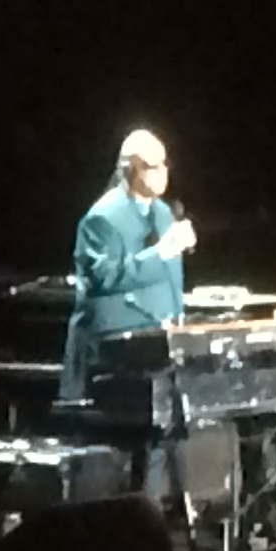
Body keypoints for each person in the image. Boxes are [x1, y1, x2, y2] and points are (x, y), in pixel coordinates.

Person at [59, 127, 194, 403]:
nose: (162, 172)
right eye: (152, 166)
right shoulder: (102, 218)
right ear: (128, 169)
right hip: (113, 352)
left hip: (160, 346)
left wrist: (178, 321)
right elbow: (104, 278)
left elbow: (170, 277)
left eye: (165, 164)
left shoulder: (163, 213)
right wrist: (160, 253)